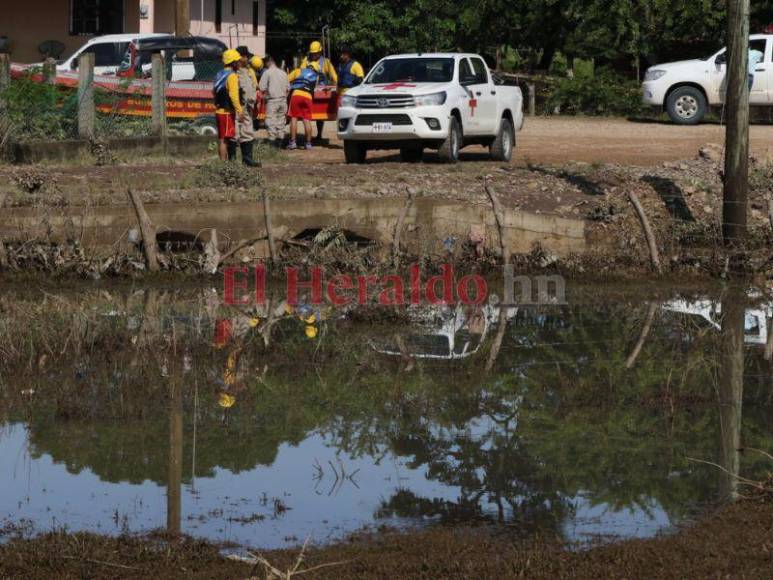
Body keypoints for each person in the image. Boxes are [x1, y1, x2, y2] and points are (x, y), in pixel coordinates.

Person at [299, 41, 337, 142]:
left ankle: (319, 134)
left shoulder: (326, 62)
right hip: (307, 90)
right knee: (307, 114)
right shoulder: (306, 61)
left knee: (320, 115)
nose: (314, 55)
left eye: (316, 53)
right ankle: (308, 137)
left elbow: (334, 76)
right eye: (313, 53)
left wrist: (336, 85)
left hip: (321, 92)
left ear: (320, 52)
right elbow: (300, 72)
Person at [213, 49, 244, 162]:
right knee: (224, 140)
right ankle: (224, 165)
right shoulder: (232, 76)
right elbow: (234, 96)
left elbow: (214, 92)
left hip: (219, 111)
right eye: (237, 61)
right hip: (226, 112)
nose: (239, 63)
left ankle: (224, 164)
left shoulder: (219, 74)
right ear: (233, 62)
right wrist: (240, 111)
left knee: (222, 139)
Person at [287, 60, 322, 150]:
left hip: (296, 94)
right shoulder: (316, 76)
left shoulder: (298, 70)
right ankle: (308, 144)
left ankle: (293, 143)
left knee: (294, 118)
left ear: (308, 66)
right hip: (308, 97)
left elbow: (286, 80)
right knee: (306, 120)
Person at [234, 46, 259, 166]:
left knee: (247, 132)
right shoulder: (239, 72)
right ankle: (234, 161)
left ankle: (247, 159)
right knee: (236, 133)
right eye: (246, 56)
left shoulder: (246, 71)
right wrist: (250, 103)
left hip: (246, 106)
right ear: (241, 57)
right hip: (242, 106)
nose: (248, 58)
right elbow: (244, 90)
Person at [258, 55, 289, 147]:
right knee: (281, 122)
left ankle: (272, 143)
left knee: (270, 122)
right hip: (283, 100)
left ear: (268, 62)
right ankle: (280, 141)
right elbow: (288, 88)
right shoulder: (283, 73)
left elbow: (261, 87)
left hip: (272, 100)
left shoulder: (267, 73)